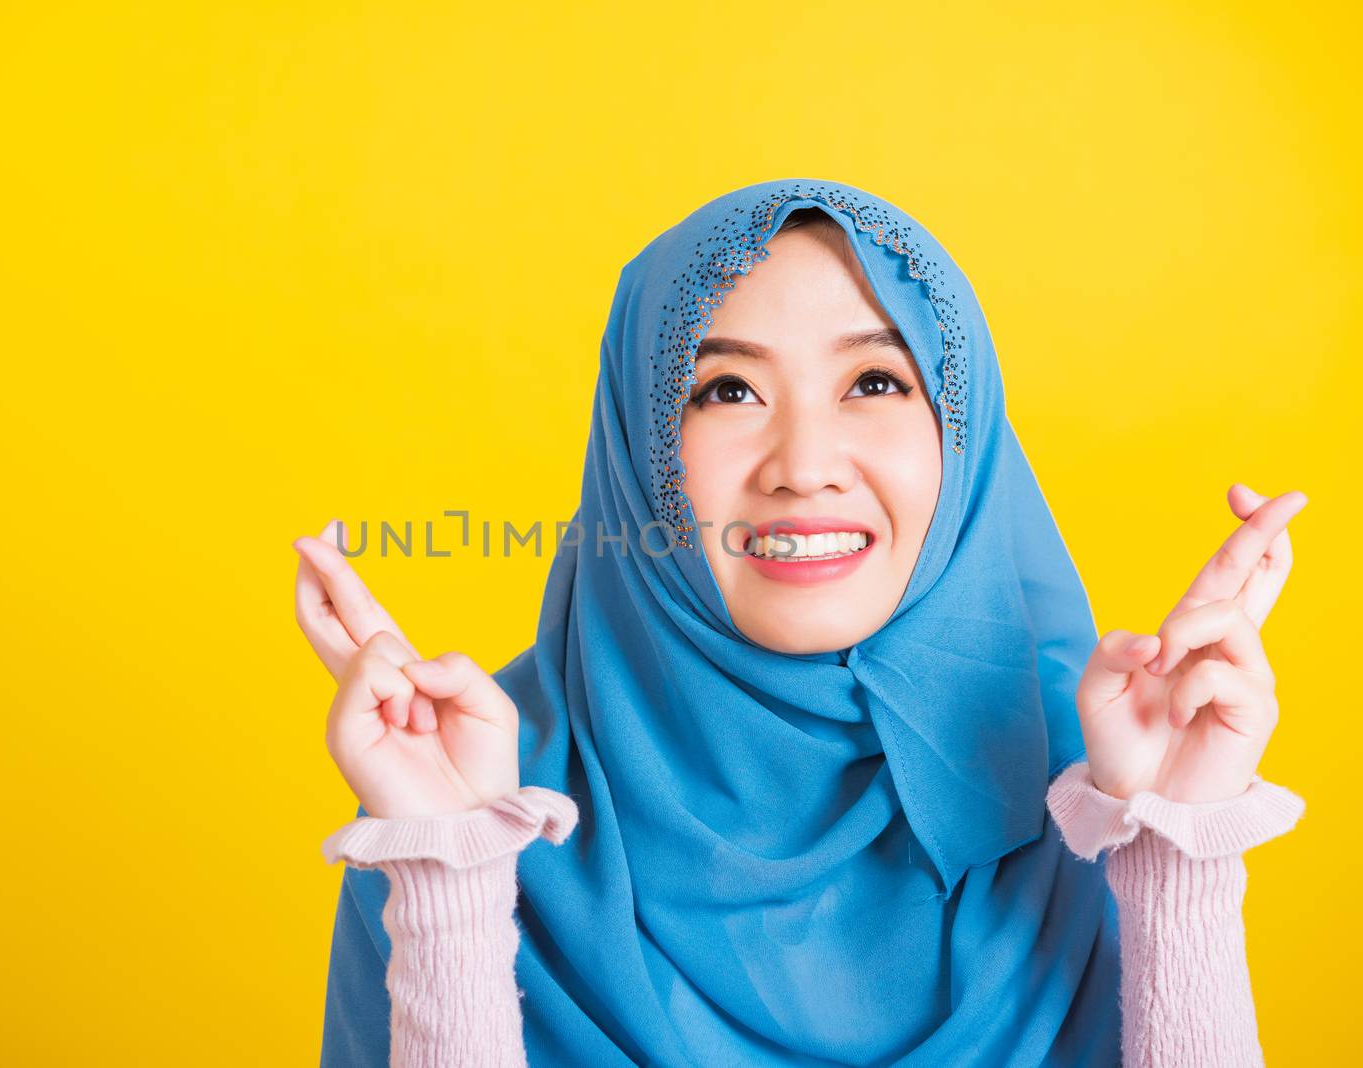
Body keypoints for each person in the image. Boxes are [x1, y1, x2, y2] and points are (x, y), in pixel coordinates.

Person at [294, 179, 1309, 1066]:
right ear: (636, 449)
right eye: (725, 389)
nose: (803, 463)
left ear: (963, 438)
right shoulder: (480, 808)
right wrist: (448, 884)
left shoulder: (1096, 795)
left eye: (874, 381)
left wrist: (1179, 859)